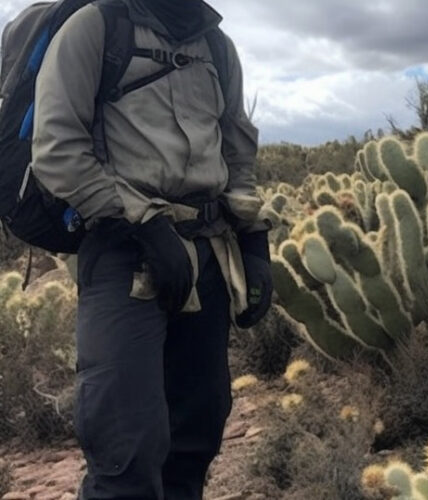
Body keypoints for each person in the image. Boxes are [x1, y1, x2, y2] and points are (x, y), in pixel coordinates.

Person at [30, 0, 272, 498]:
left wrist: (253, 238)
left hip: (206, 252)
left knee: (197, 433)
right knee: (127, 446)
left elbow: (236, 149)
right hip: (123, 255)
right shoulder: (96, 28)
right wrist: (138, 224)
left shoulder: (216, 47)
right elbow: (56, 148)